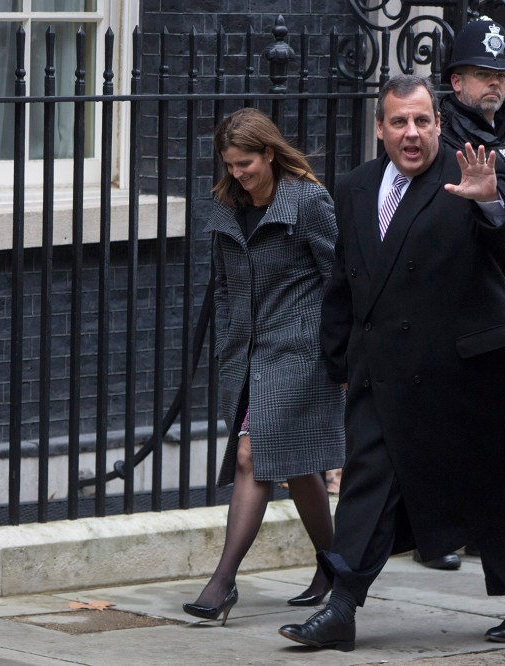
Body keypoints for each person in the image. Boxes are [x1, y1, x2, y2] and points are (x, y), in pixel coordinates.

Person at [277, 75, 505, 652]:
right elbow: (344, 281)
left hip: (463, 371)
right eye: (399, 122)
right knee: (367, 487)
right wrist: (337, 362)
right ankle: (342, 607)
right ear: (379, 128)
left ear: (438, 124)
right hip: (383, 371)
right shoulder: (353, 188)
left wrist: (492, 201)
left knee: (489, 487)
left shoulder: (469, 173)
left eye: (423, 121)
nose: (412, 133)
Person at [182, 107, 345, 625]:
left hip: (300, 353)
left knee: (252, 456)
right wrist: (231, 338)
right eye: (230, 164)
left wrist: (333, 348)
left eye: (246, 162)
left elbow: (338, 279)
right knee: (296, 467)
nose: (238, 173)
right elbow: (225, 286)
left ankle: (222, 582)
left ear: (270, 153)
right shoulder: (226, 207)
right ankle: (335, 565)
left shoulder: (308, 201)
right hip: (248, 356)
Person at [414, 16, 505, 573]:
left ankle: (503, 527)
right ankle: (445, 528)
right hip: (471, 288)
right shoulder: (439, 136)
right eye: (481, 74)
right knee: (455, 412)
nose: (494, 83)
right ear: (456, 83)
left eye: (500, 74)